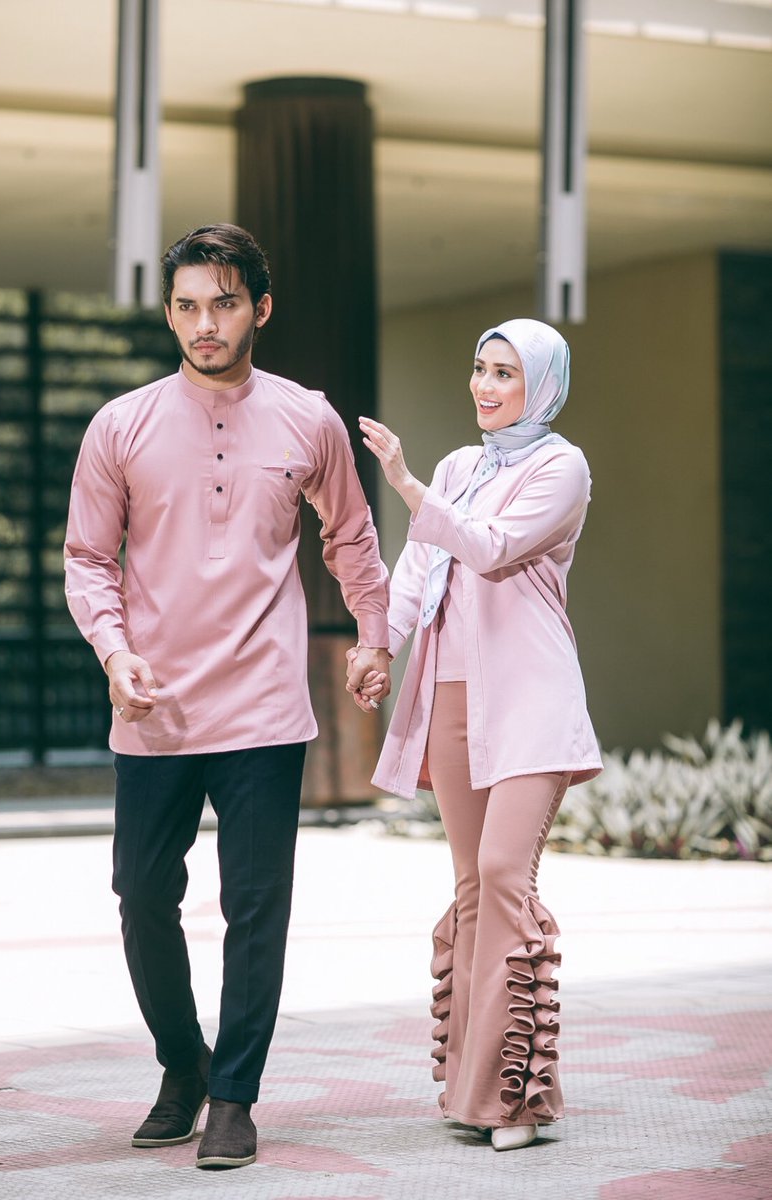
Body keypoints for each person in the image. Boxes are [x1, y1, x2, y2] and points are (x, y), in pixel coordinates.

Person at [64, 223, 390, 1170]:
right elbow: (88, 558)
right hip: (153, 705)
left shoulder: (307, 420)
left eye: (224, 303)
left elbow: (351, 538)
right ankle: (183, 1064)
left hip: (262, 706)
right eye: (187, 306)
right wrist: (114, 653)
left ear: (260, 309)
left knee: (255, 908)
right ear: (170, 314)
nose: (204, 324)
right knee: (140, 896)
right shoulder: (119, 425)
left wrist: (374, 636)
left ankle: (234, 1097)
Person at [354, 318, 601, 1152]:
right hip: (451, 694)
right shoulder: (462, 466)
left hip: (531, 696)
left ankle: (514, 1100)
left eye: (505, 373)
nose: (485, 386)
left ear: (541, 386)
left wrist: (405, 484)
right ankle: (475, 1093)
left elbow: (489, 549)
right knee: (470, 887)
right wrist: (379, 646)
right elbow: (419, 570)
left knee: (502, 875)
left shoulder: (560, 466)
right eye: (479, 368)